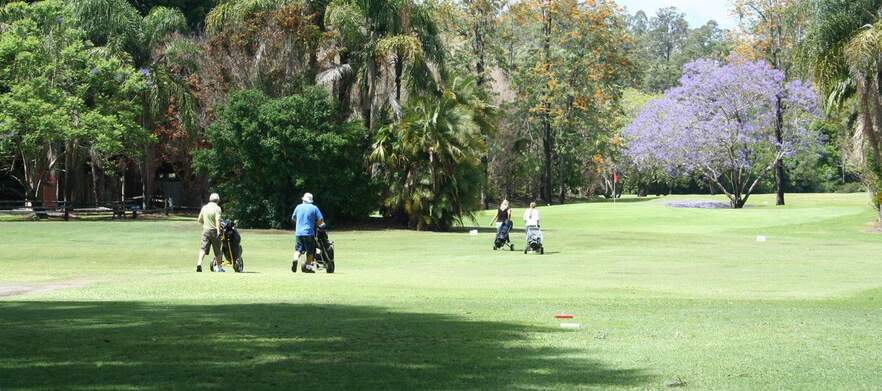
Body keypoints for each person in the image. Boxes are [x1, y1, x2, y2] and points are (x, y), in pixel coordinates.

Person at [291, 192, 325, 273]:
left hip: (298, 233)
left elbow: (293, 218)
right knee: (310, 252)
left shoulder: (298, 207)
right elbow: (321, 220)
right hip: (309, 233)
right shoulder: (314, 208)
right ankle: (308, 268)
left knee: (298, 249)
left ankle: (295, 259)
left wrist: (299, 223)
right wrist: (316, 224)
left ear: (303, 199)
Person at [196, 193, 223, 272]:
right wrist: (218, 231)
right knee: (217, 250)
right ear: (217, 200)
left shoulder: (204, 207)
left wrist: (206, 224)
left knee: (203, 248)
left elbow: (199, 220)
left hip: (205, 230)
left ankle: (199, 263)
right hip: (214, 231)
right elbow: (217, 220)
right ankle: (219, 268)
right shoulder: (217, 208)